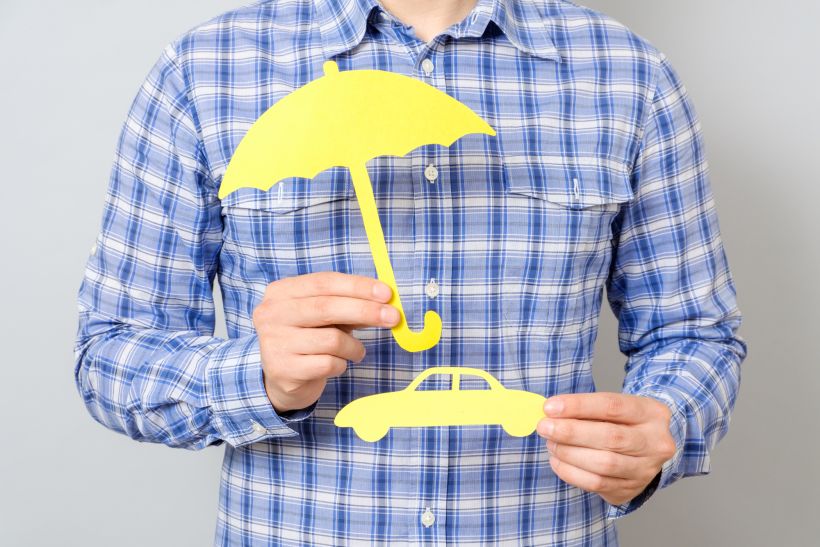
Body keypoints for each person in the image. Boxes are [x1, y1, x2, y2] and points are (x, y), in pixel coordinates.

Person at [73, 0, 747, 544]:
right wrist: (258, 376)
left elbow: (693, 332)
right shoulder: (207, 71)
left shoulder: (627, 76)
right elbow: (110, 353)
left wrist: (665, 426)